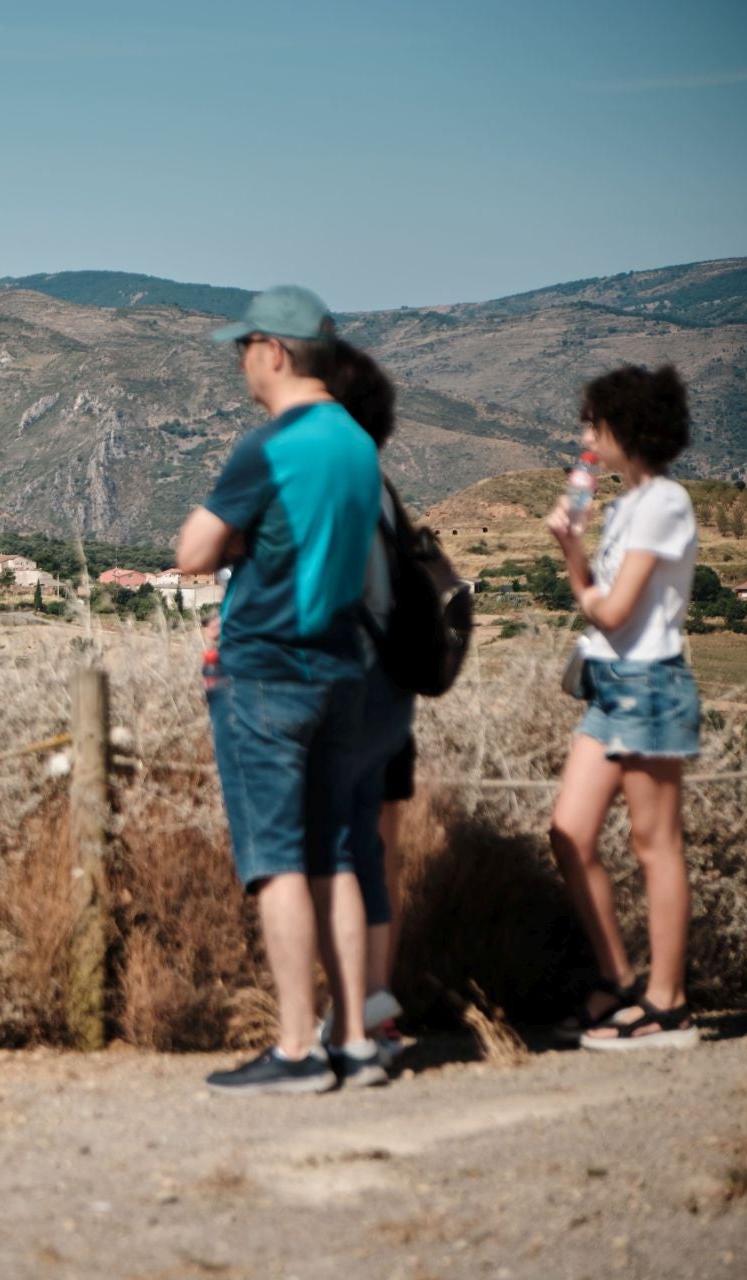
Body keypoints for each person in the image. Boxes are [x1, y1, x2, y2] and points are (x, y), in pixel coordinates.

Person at [178, 287, 386, 1094]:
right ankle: (357, 1041)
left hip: (265, 669)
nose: (241, 365)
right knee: (338, 856)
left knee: (277, 861)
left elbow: (193, 550)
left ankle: (297, 1049)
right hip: (343, 671)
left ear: (271, 350)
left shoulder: (269, 447)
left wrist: (235, 533)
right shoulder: (359, 446)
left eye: (243, 350)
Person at [544, 364, 701, 1051]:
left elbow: (612, 609)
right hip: (611, 685)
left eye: (592, 424)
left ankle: (668, 1004)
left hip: (648, 683)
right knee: (569, 833)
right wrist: (575, 549)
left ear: (622, 430)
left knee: (654, 844)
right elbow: (599, 603)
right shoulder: (625, 505)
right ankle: (620, 980)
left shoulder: (664, 501)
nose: (585, 437)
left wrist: (575, 563)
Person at [318, 342, 412, 1067]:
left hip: (355, 690)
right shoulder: (385, 489)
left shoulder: (347, 489)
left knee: (345, 854)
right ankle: (374, 1007)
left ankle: (354, 1015)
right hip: (395, 695)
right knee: (377, 855)